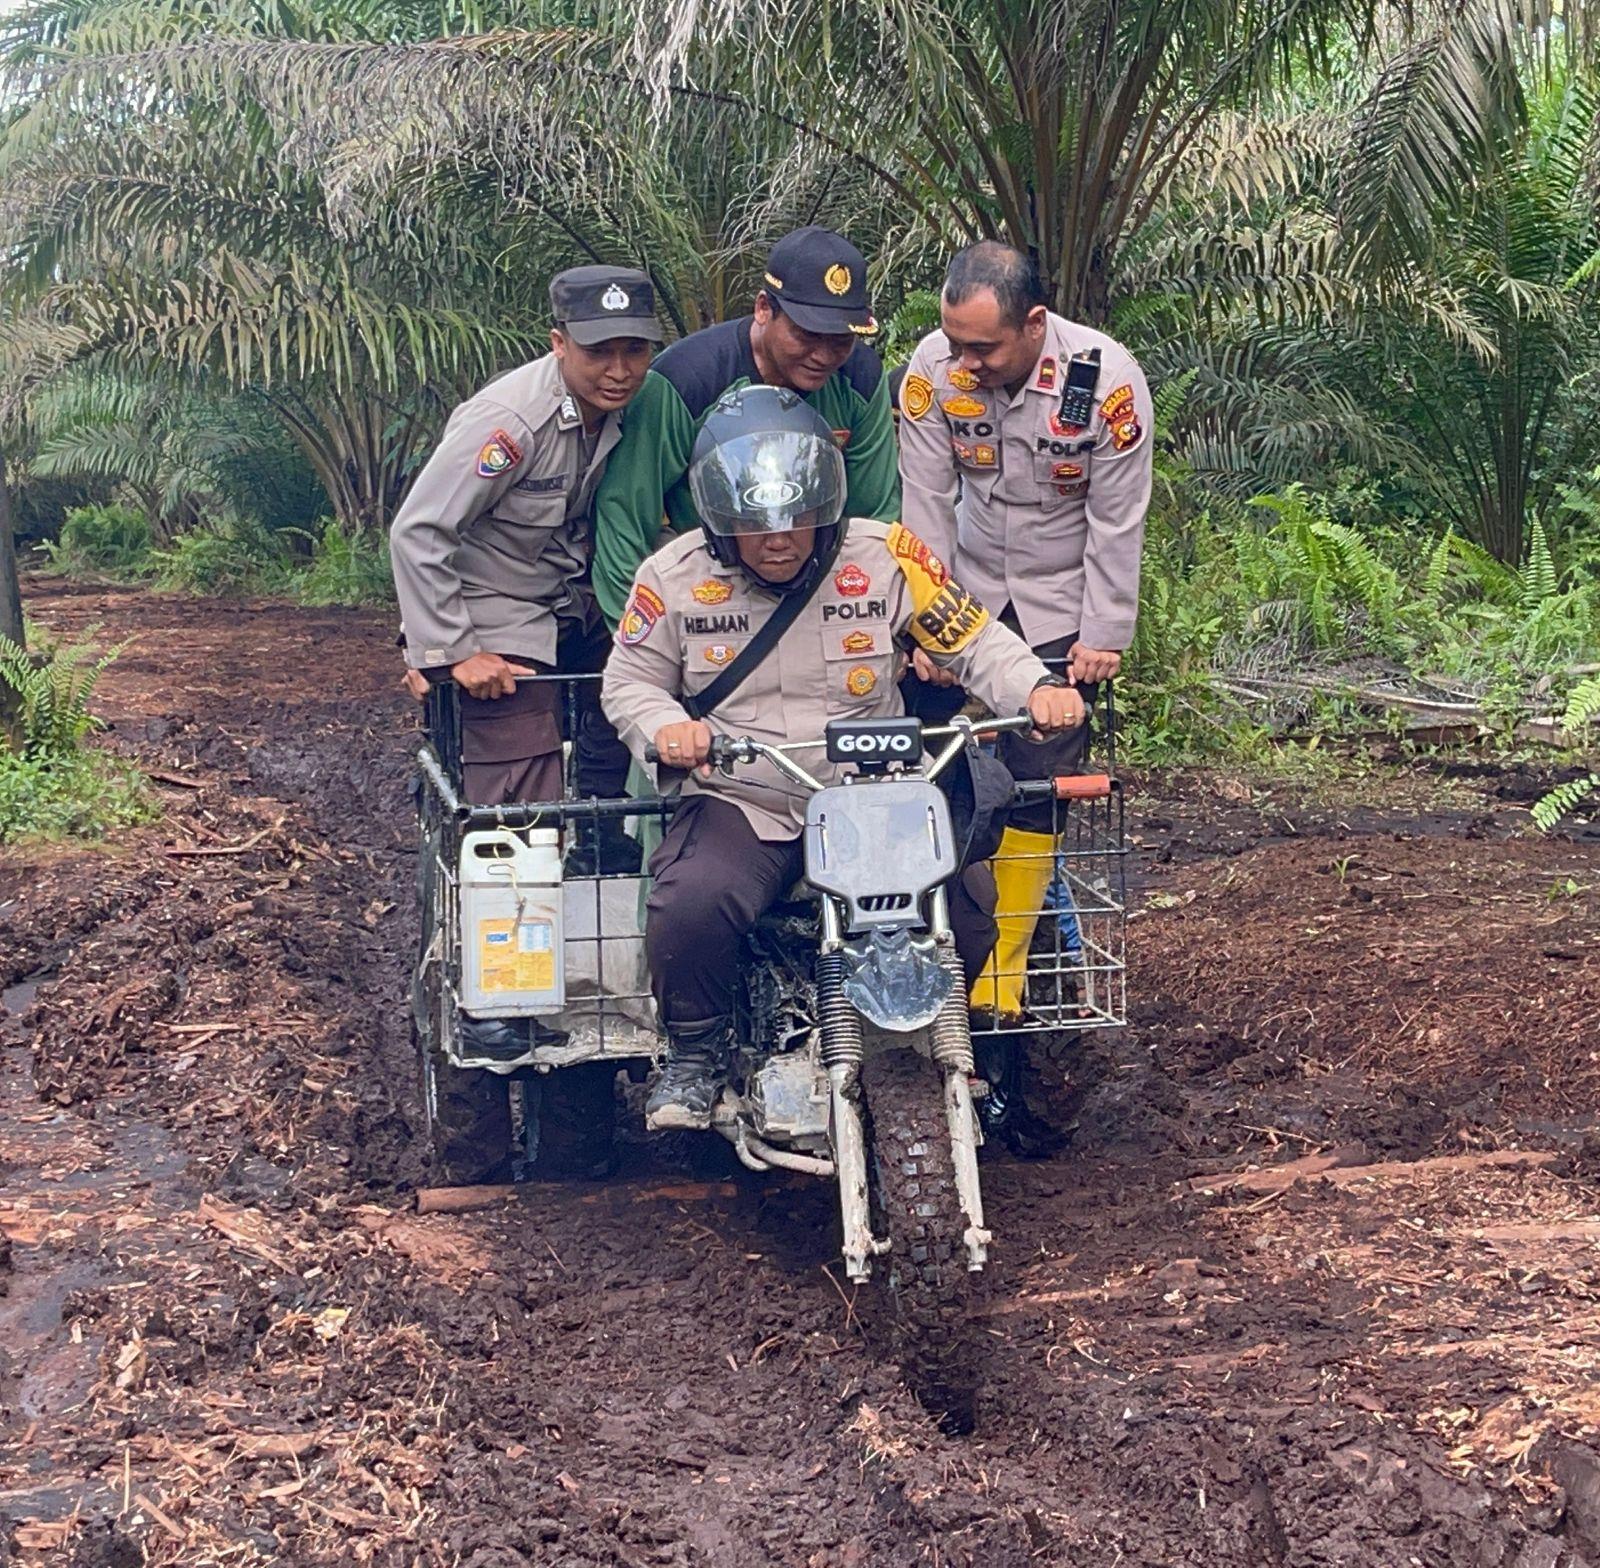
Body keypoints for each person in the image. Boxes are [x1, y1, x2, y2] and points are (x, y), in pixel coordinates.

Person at [602, 386, 1085, 1130]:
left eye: (796, 523)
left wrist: (1037, 688)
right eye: (755, 528)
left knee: (964, 907)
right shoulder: (671, 577)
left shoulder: (885, 555)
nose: (778, 542)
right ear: (718, 521)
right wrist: (668, 727)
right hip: (748, 795)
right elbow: (628, 682)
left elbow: (975, 639)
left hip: (872, 797)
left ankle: (947, 1041)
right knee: (691, 904)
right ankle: (696, 1053)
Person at [896, 241, 1153, 1017]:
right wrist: (925, 627)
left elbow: (1117, 518)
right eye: (956, 343)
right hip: (966, 592)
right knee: (927, 758)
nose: (966, 362)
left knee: (1039, 780)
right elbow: (926, 504)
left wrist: (1102, 633)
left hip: (1060, 601)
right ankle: (927, 937)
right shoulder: (932, 371)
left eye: (984, 348)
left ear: (1034, 323)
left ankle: (1003, 974)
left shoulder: (1105, 382)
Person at [391, 264, 664, 877]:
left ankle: (601, 849)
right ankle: (513, 900)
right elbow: (419, 531)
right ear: (559, 343)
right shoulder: (512, 423)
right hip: (489, 600)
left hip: (568, 594)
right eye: (599, 352)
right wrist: (451, 652)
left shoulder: (632, 409)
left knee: (644, 677)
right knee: (520, 785)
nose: (619, 370)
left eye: (635, 350)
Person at [589, 227, 901, 631]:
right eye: (807, 335)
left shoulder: (860, 378)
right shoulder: (684, 382)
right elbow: (625, 518)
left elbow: (876, 516)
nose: (824, 355)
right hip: (705, 589)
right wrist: (637, 639)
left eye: (841, 340)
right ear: (763, 309)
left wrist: (875, 620)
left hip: (820, 589)